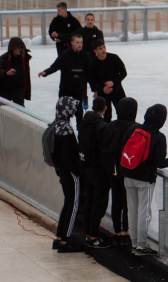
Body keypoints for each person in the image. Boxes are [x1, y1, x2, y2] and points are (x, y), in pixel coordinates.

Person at [120, 104, 168, 255]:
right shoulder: (159, 137)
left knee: (132, 209)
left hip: (128, 174)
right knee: (144, 211)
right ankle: (140, 245)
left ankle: (134, 241)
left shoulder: (134, 129)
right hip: (145, 179)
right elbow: (159, 162)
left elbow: (124, 147)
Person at [78, 97, 113, 249]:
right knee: (98, 203)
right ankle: (93, 236)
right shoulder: (102, 127)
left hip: (86, 168)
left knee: (89, 201)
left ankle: (88, 234)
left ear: (92, 107)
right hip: (98, 170)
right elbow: (104, 150)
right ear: (105, 108)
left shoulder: (84, 123)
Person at [50, 96, 83, 253]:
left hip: (61, 171)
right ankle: (65, 242)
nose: (75, 111)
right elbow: (71, 155)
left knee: (67, 203)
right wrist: (78, 173)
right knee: (73, 205)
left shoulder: (56, 125)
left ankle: (58, 238)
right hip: (71, 174)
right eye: (74, 108)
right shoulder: (66, 129)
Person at [106, 97, 139, 248]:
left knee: (117, 200)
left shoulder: (110, 126)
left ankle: (118, 232)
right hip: (129, 171)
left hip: (113, 170)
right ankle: (125, 232)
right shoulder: (137, 128)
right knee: (127, 202)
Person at [39, 32, 92, 126]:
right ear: (72, 43)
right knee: (63, 113)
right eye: (77, 42)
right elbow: (55, 66)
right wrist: (46, 72)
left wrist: (94, 89)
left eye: (81, 42)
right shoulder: (65, 55)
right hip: (66, 87)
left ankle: (80, 134)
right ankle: (62, 131)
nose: (80, 44)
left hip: (79, 88)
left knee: (79, 113)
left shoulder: (86, 55)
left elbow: (90, 73)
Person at [87, 40, 127, 123]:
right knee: (107, 116)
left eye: (104, 47)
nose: (103, 50)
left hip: (117, 90)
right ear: (95, 51)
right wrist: (102, 89)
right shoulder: (93, 64)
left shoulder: (114, 58)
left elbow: (123, 73)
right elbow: (92, 81)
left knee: (123, 112)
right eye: (100, 48)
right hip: (103, 94)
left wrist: (113, 82)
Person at [0, 36, 31, 106]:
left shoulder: (24, 58)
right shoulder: (4, 57)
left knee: (20, 111)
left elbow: (26, 75)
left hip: (18, 89)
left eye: (21, 47)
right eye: (18, 47)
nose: (20, 49)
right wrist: (6, 72)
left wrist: (26, 91)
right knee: (3, 110)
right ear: (13, 48)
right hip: (4, 89)